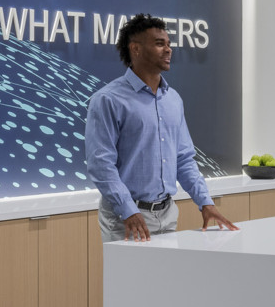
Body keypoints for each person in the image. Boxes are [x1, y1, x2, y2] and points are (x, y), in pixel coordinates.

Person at [85, 13, 239, 242]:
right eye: (159, 44)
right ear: (135, 49)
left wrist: (205, 202)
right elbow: (101, 165)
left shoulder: (173, 99)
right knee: (131, 279)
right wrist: (129, 210)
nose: (168, 50)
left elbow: (184, 159)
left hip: (167, 213)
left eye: (168, 44)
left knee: (164, 278)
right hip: (124, 218)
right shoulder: (108, 99)